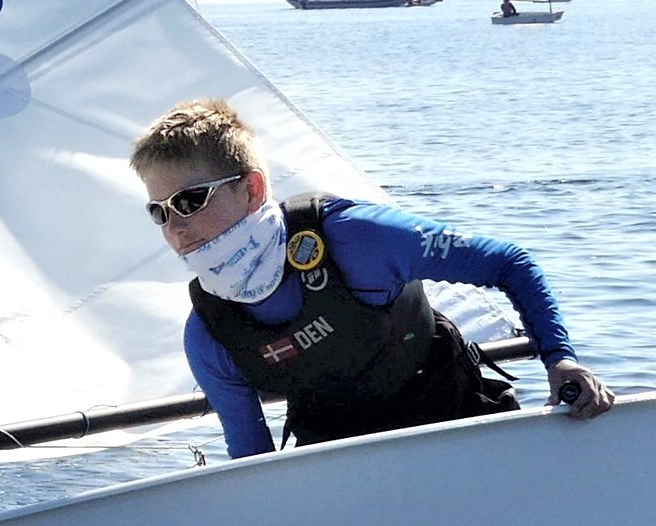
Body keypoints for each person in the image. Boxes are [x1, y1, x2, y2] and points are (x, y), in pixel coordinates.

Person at [131, 99, 612, 458]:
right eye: (158, 211)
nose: (174, 226)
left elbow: (508, 262)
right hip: (348, 480)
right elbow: (253, 465)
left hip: (465, 437)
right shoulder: (210, 334)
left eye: (189, 201)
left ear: (252, 188)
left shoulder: (358, 240)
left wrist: (560, 360)